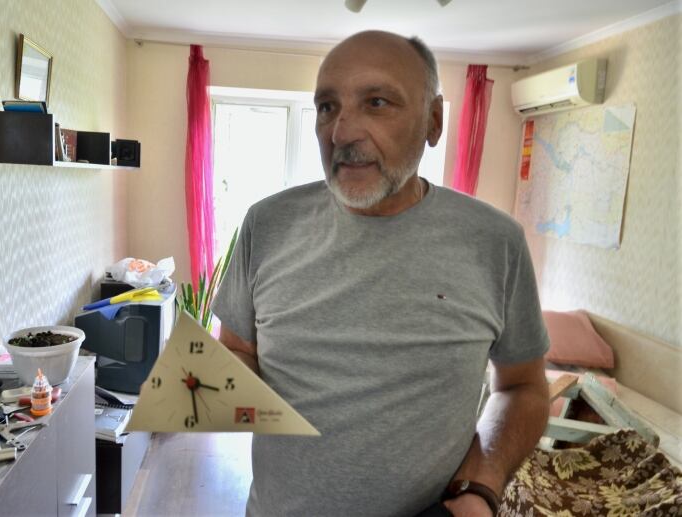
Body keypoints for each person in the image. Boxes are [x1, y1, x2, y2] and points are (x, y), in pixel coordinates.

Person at [211, 30, 550, 517]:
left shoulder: (496, 242)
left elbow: (523, 387)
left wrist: (481, 487)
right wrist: (210, 390)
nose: (342, 132)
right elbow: (237, 352)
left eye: (377, 102)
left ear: (433, 121)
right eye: (327, 107)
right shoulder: (266, 224)